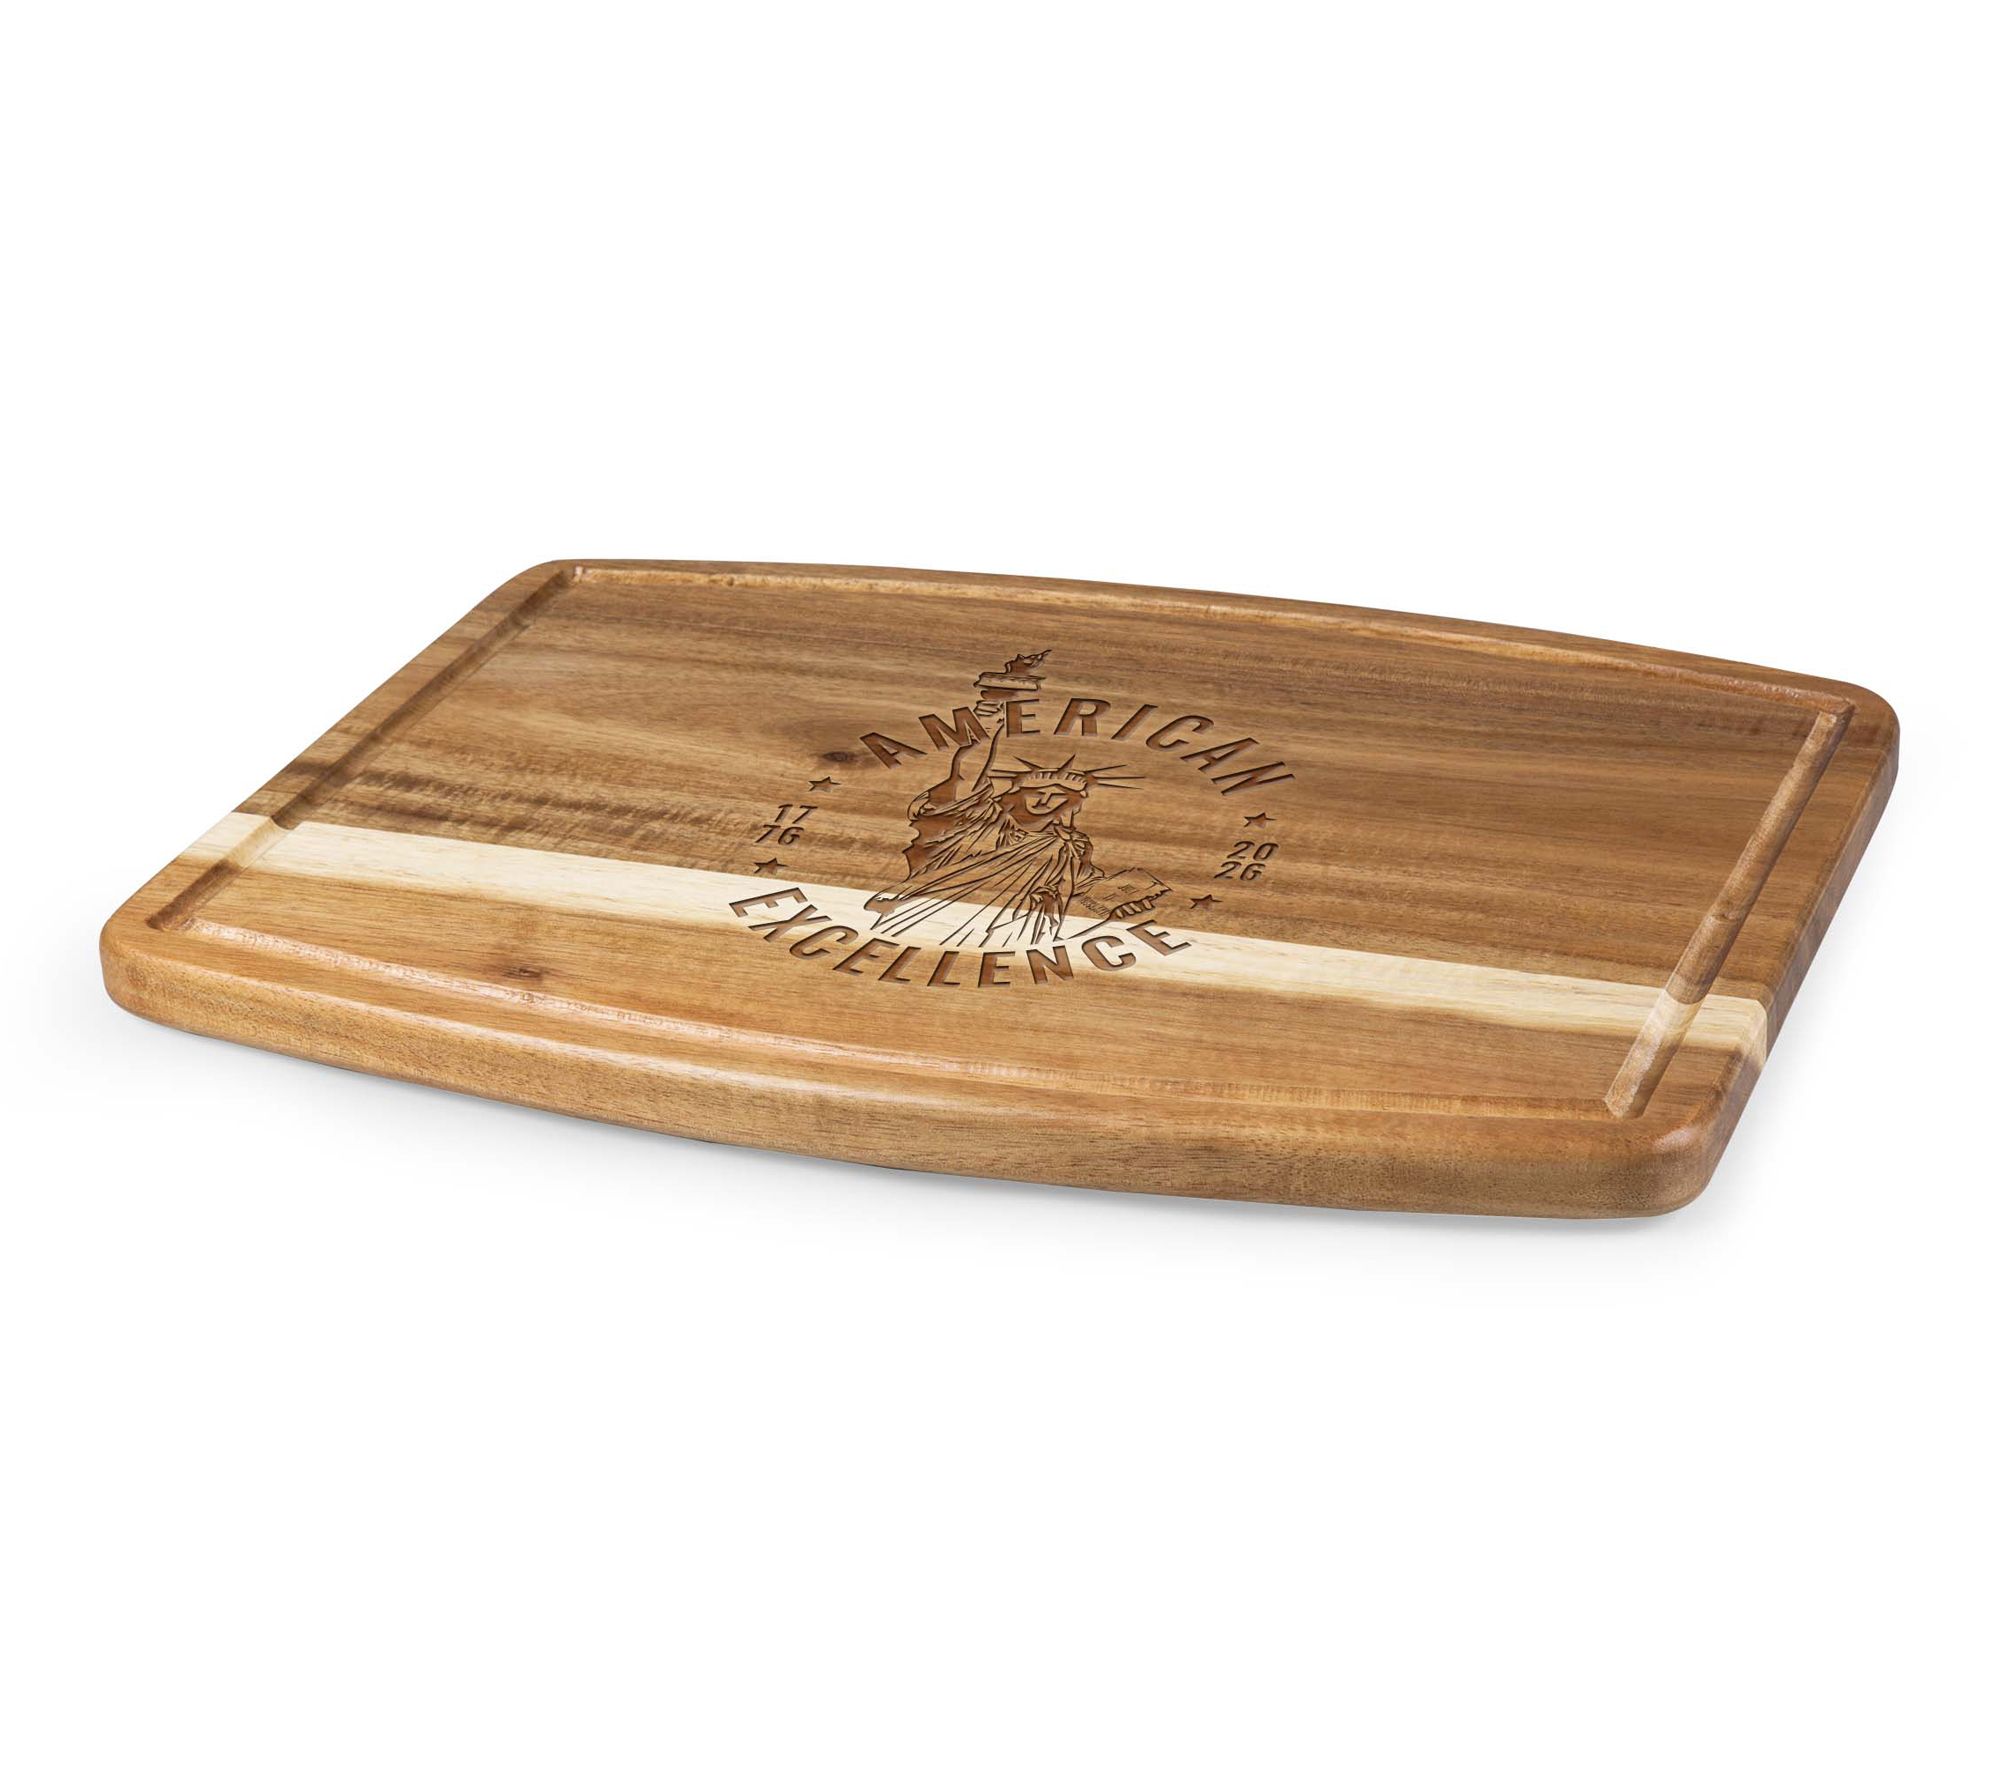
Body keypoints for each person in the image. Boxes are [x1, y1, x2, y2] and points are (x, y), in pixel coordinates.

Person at [864, 702, 1150, 949]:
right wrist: (986, 725)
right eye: (1036, 793)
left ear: (1072, 805)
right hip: (925, 922)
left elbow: (1080, 892)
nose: (1045, 800)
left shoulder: (1070, 847)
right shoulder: (979, 822)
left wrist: (1117, 907)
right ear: (1016, 794)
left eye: (1058, 796)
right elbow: (965, 777)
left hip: (1017, 937)